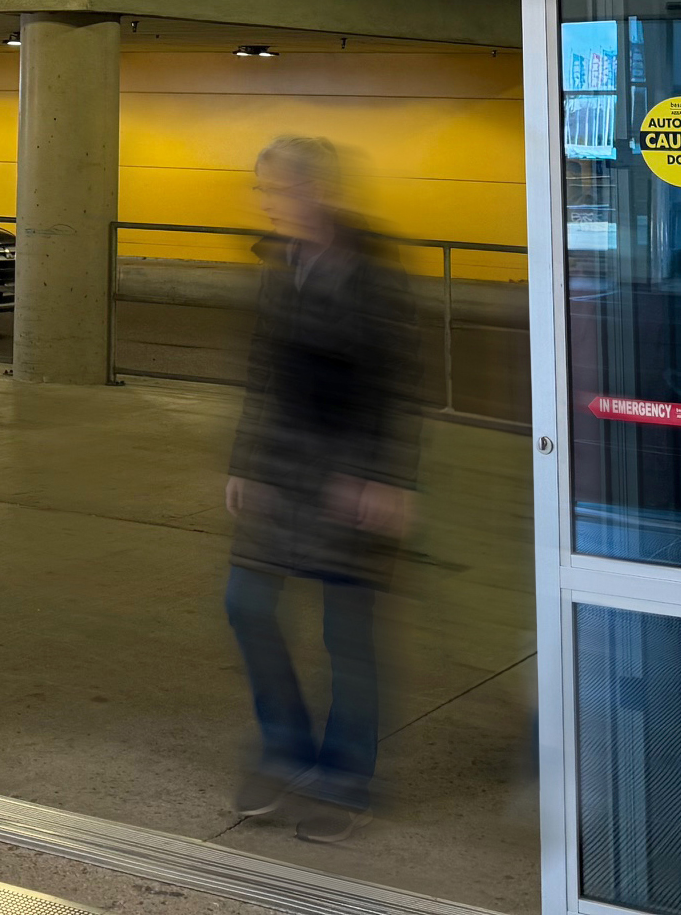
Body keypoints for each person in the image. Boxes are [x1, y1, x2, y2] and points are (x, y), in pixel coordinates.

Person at [223, 135, 421, 844]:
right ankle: (285, 750)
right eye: (264, 190)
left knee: (347, 632)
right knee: (245, 603)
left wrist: (388, 478)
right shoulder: (282, 263)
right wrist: (245, 462)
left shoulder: (373, 272)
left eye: (277, 190)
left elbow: (398, 384)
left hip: (350, 480)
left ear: (316, 191)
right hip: (282, 471)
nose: (268, 203)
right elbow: (263, 370)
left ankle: (344, 776)